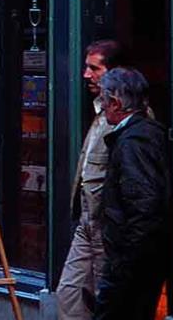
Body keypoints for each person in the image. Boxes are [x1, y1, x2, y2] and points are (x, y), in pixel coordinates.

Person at [93, 68, 171, 320]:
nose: (102, 109)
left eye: (104, 102)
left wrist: (124, 263)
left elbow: (144, 205)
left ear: (115, 104)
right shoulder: (141, 135)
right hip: (134, 257)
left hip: (132, 261)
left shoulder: (134, 141)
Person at [58, 39, 120, 320]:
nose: (86, 75)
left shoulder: (124, 119)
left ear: (114, 72)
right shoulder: (100, 111)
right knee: (69, 294)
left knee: (103, 299)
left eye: (94, 68)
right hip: (87, 221)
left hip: (104, 224)